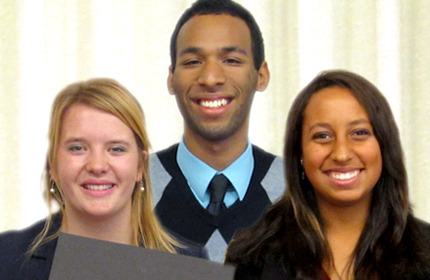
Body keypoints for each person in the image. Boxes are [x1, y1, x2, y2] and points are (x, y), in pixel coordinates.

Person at [226, 70, 430, 279]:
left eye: (359, 133)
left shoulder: (425, 254)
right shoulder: (252, 258)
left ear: (384, 146)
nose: (341, 154)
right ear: (299, 153)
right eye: (322, 136)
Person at [0, 78, 204, 280]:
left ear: (140, 166)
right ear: (53, 164)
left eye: (116, 149)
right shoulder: (6, 259)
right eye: (77, 148)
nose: (97, 166)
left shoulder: (192, 268)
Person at [150, 0, 285, 262]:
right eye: (192, 61)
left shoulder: (299, 192)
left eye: (231, 60)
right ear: (171, 78)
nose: (211, 78)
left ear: (261, 75)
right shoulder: (130, 188)